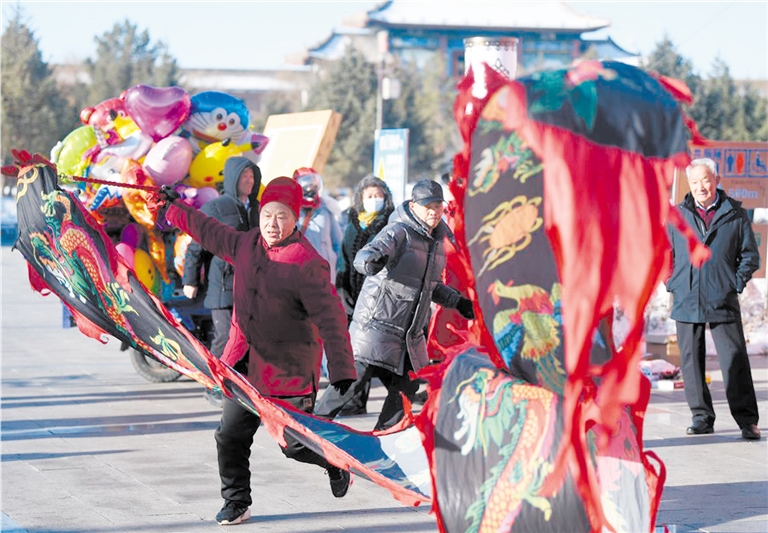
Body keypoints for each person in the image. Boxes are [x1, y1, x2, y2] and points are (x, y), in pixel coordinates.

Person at [152, 177, 358, 526]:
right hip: (243, 365)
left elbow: (332, 318)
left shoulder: (307, 262)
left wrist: (341, 368)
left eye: (281, 216)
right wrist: (173, 208)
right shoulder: (246, 244)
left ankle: (335, 463)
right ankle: (236, 502)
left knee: (294, 445)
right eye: (266, 215)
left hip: (288, 371)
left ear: (295, 218)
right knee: (229, 435)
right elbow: (208, 231)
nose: (272, 224)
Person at [314, 179, 475, 431]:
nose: (433, 212)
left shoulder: (437, 241)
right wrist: (370, 261)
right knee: (353, 381)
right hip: (377, 324)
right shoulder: (398, 231)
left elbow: (431, 286)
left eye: (437, 206)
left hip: (409, 333)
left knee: (407, 385)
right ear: (413, 206)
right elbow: (366, 255)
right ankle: (313, 426)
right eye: (428, 206)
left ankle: (385, 434)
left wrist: (459, 302)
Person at [667, 157, 761, 440]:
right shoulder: (677, 215)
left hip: (722, 296)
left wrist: (735, 282)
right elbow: (664, 254)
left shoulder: (735, 214)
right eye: (694, 182)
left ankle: (747, 420)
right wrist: (672, 282)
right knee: (690, 361)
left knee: (734, 358)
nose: (700, 187)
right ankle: (701, 417)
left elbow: (749, 256)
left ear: (717, 181)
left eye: (705, 180)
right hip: (686, 296)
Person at [182, 157, 260, 407]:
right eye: (244, 176)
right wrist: (190, 280)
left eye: (252, 176)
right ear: (233, 178)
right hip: (223, 284)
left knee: (249, 339)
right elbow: (196, 246)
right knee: (225, 337)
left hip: (252, 287)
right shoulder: (215, 208)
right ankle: (215, 386)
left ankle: (242, 387)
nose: (249, 181)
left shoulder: (257, 209)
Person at [331, 175, 395, 415]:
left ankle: (402, 397)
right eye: (369, 196)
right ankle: (357, 402)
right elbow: (343, 262)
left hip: (381, 299)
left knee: (379, 352)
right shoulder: (352, 226)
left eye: (378, 195)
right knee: (357, 350)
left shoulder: (391, 225)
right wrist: (342, 292)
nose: (374, 199)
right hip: (354, 297)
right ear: (360, 199)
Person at [293, 167, 342, 281]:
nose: (311, 189)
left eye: (314, 184)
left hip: (327, 273)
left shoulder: (326, 208)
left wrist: (336, 262)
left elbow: (337, 242)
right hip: (302, 272)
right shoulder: (291, 209)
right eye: (307, 184)